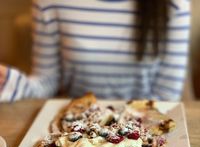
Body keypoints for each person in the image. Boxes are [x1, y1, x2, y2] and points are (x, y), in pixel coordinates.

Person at [0, 0, 191, 102]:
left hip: (143, 128)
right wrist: (10, 82)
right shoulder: (50, 3)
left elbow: (167, 96)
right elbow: (46, 83)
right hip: (74, 124)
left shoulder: (174, 5)